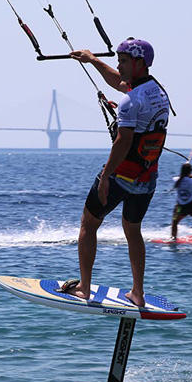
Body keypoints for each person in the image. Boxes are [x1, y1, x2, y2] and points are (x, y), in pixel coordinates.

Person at [62, 38, 169, 307]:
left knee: (89, 224)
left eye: (123, 62)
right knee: (133, 230)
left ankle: (85, 289)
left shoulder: (129, 102)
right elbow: (121, 83)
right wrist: (94, 60)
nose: (119, 66)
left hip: (122, 175)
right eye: (118, 61)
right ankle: (138, 294)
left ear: (140, 64)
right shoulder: (157, 91)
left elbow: (123, 142)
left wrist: (106, 177)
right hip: (147, 179)